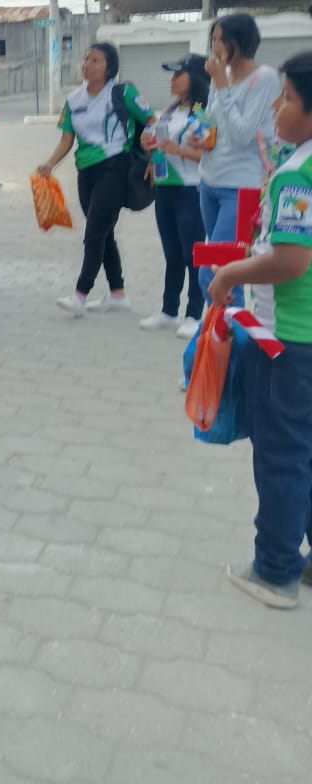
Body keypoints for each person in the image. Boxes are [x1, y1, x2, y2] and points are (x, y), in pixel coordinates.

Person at [206, 51, 312, 609]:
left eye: (287, 98)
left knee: (281, 457)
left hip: (286, 340)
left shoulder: (298, 174)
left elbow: (290, 262)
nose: (277, 107)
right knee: (305, 453)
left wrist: (230, 274)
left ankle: (274, 571)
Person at [37, 42, 154, 317]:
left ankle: (80, 294)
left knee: (94, 233)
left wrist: (154, 154)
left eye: (96, 60)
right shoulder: (74, 99)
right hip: (86, 171)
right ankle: (118, 294)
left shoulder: (122, 93)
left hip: (115, 166)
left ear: (109, 67)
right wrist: (50, 163)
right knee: (104, 232)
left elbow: (151, 120)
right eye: (86, 59)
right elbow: (67, 138)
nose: (87, 65)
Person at [199, 13, 280, 307]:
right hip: (209, 181)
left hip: (241, 187)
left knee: (214, 272)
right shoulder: (222, 77)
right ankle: (223, 330)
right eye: (213, 39)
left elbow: (243, 134)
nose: (216, 46)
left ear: (241, 41)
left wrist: (222, 86)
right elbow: (212, 121)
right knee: (225, 270)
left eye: (222, 39)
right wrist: (199, 135)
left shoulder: (265, 78)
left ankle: (231, 333)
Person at [138, 55, 210, 339]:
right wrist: (148, 146)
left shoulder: (204, 113)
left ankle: (194, 314)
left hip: (191, 189)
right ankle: (169, 311)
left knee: (193, 255)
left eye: (179, 74)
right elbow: (158, 144)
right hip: (165, 188)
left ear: (196, 78)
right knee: (172, 253)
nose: (173, 80)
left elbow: (209, 155)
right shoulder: (169, 112)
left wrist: (178, 150)